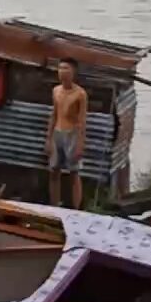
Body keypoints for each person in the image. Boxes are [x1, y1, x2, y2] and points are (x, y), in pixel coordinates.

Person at [46, 58, 88, 208]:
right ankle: (54, 205)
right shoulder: (56, 90)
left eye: (66, 69)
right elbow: (54, 115)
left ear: (73, 72)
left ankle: (76, 208)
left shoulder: (80, 94)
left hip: (72, 134)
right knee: (54, 171)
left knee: (74, 173)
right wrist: (48, 138)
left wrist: (80, 144)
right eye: (60, 68)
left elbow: (82, 121)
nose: (62, 72)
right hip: (57, 132)